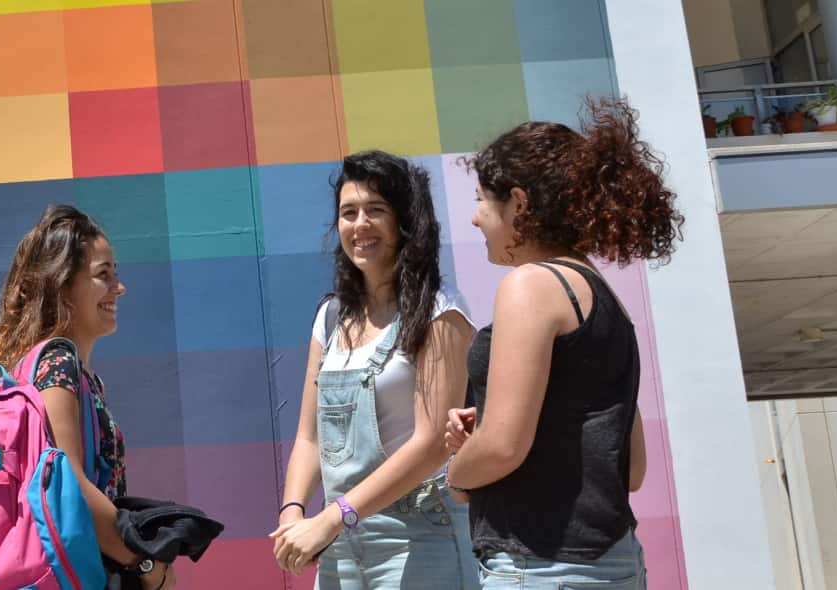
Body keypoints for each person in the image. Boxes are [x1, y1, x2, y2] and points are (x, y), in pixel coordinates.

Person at [444, 98, 675, 588]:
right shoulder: (604, 297)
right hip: (614, 564)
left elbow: (503, 448)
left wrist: (457, 467)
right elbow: (630, 469)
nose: (475, 218)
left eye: (483, 200)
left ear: (520, 204)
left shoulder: (531, 285)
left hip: (543, 567)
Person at [270, 150, 480, 587]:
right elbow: (309, 437)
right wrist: (294, 512)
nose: (359, 225)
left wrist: (334, 516)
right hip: (341, 544)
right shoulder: (330, 317)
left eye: (375, 211)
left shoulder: (441, 312)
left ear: (405, 223)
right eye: (349, 213)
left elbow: (431, 445)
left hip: (420, 537)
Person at [0, 204, 172, 590]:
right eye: (104, 275)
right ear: (63, 285)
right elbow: (72, 487)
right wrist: (148, 566)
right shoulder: (58, 364)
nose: (119, 287)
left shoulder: (43, 369)